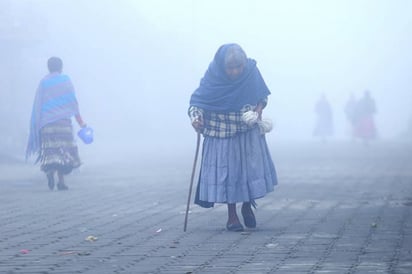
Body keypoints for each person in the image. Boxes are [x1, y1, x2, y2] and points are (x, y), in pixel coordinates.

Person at [188, 43, 278, 232]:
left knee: (248, 171)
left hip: (247, 128)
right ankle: (232, 216)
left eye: (239, 67)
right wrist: (196, 118)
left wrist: (259, 108)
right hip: (221, 131)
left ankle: (247, 205)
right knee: (228, 174)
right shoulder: (213, 76)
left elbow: (262, 95)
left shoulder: (251, 72)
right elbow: (197, 101)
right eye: (231, 68)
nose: (236, 72)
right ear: (222, 66)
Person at [26, 57, 87, 191]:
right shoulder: (66, 80)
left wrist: (37, 124)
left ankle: (49, 172)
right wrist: (80, 121)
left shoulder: (43, 82)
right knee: (63, 152)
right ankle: (61, 182)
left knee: (51, 151)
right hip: (63, 122)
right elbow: (72, 102)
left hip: (46, 123)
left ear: (49, 67)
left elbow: (38, 104)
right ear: (61, 67)